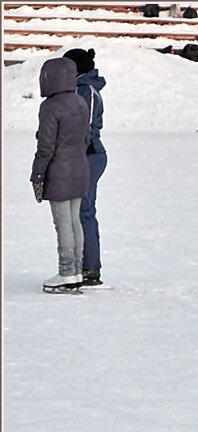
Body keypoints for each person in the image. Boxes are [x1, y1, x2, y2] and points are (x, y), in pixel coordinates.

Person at [32, 57, 90, 293]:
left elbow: (46, 147)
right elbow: (86, 138)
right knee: (75, 220)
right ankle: (76, 270)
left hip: (59, 170)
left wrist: (37, 175)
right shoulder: (80, 101)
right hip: (80, 167)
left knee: (63, 223)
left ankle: (66, 272)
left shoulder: (50, 106)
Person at [63, 47, 106, 286]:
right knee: (81, 211)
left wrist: (74, 152)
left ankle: (90, 267)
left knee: (84, 211)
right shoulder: (78, 89)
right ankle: (84, 263)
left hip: (89, 155)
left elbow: (86, 127)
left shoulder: (85, 90)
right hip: (84, 154)